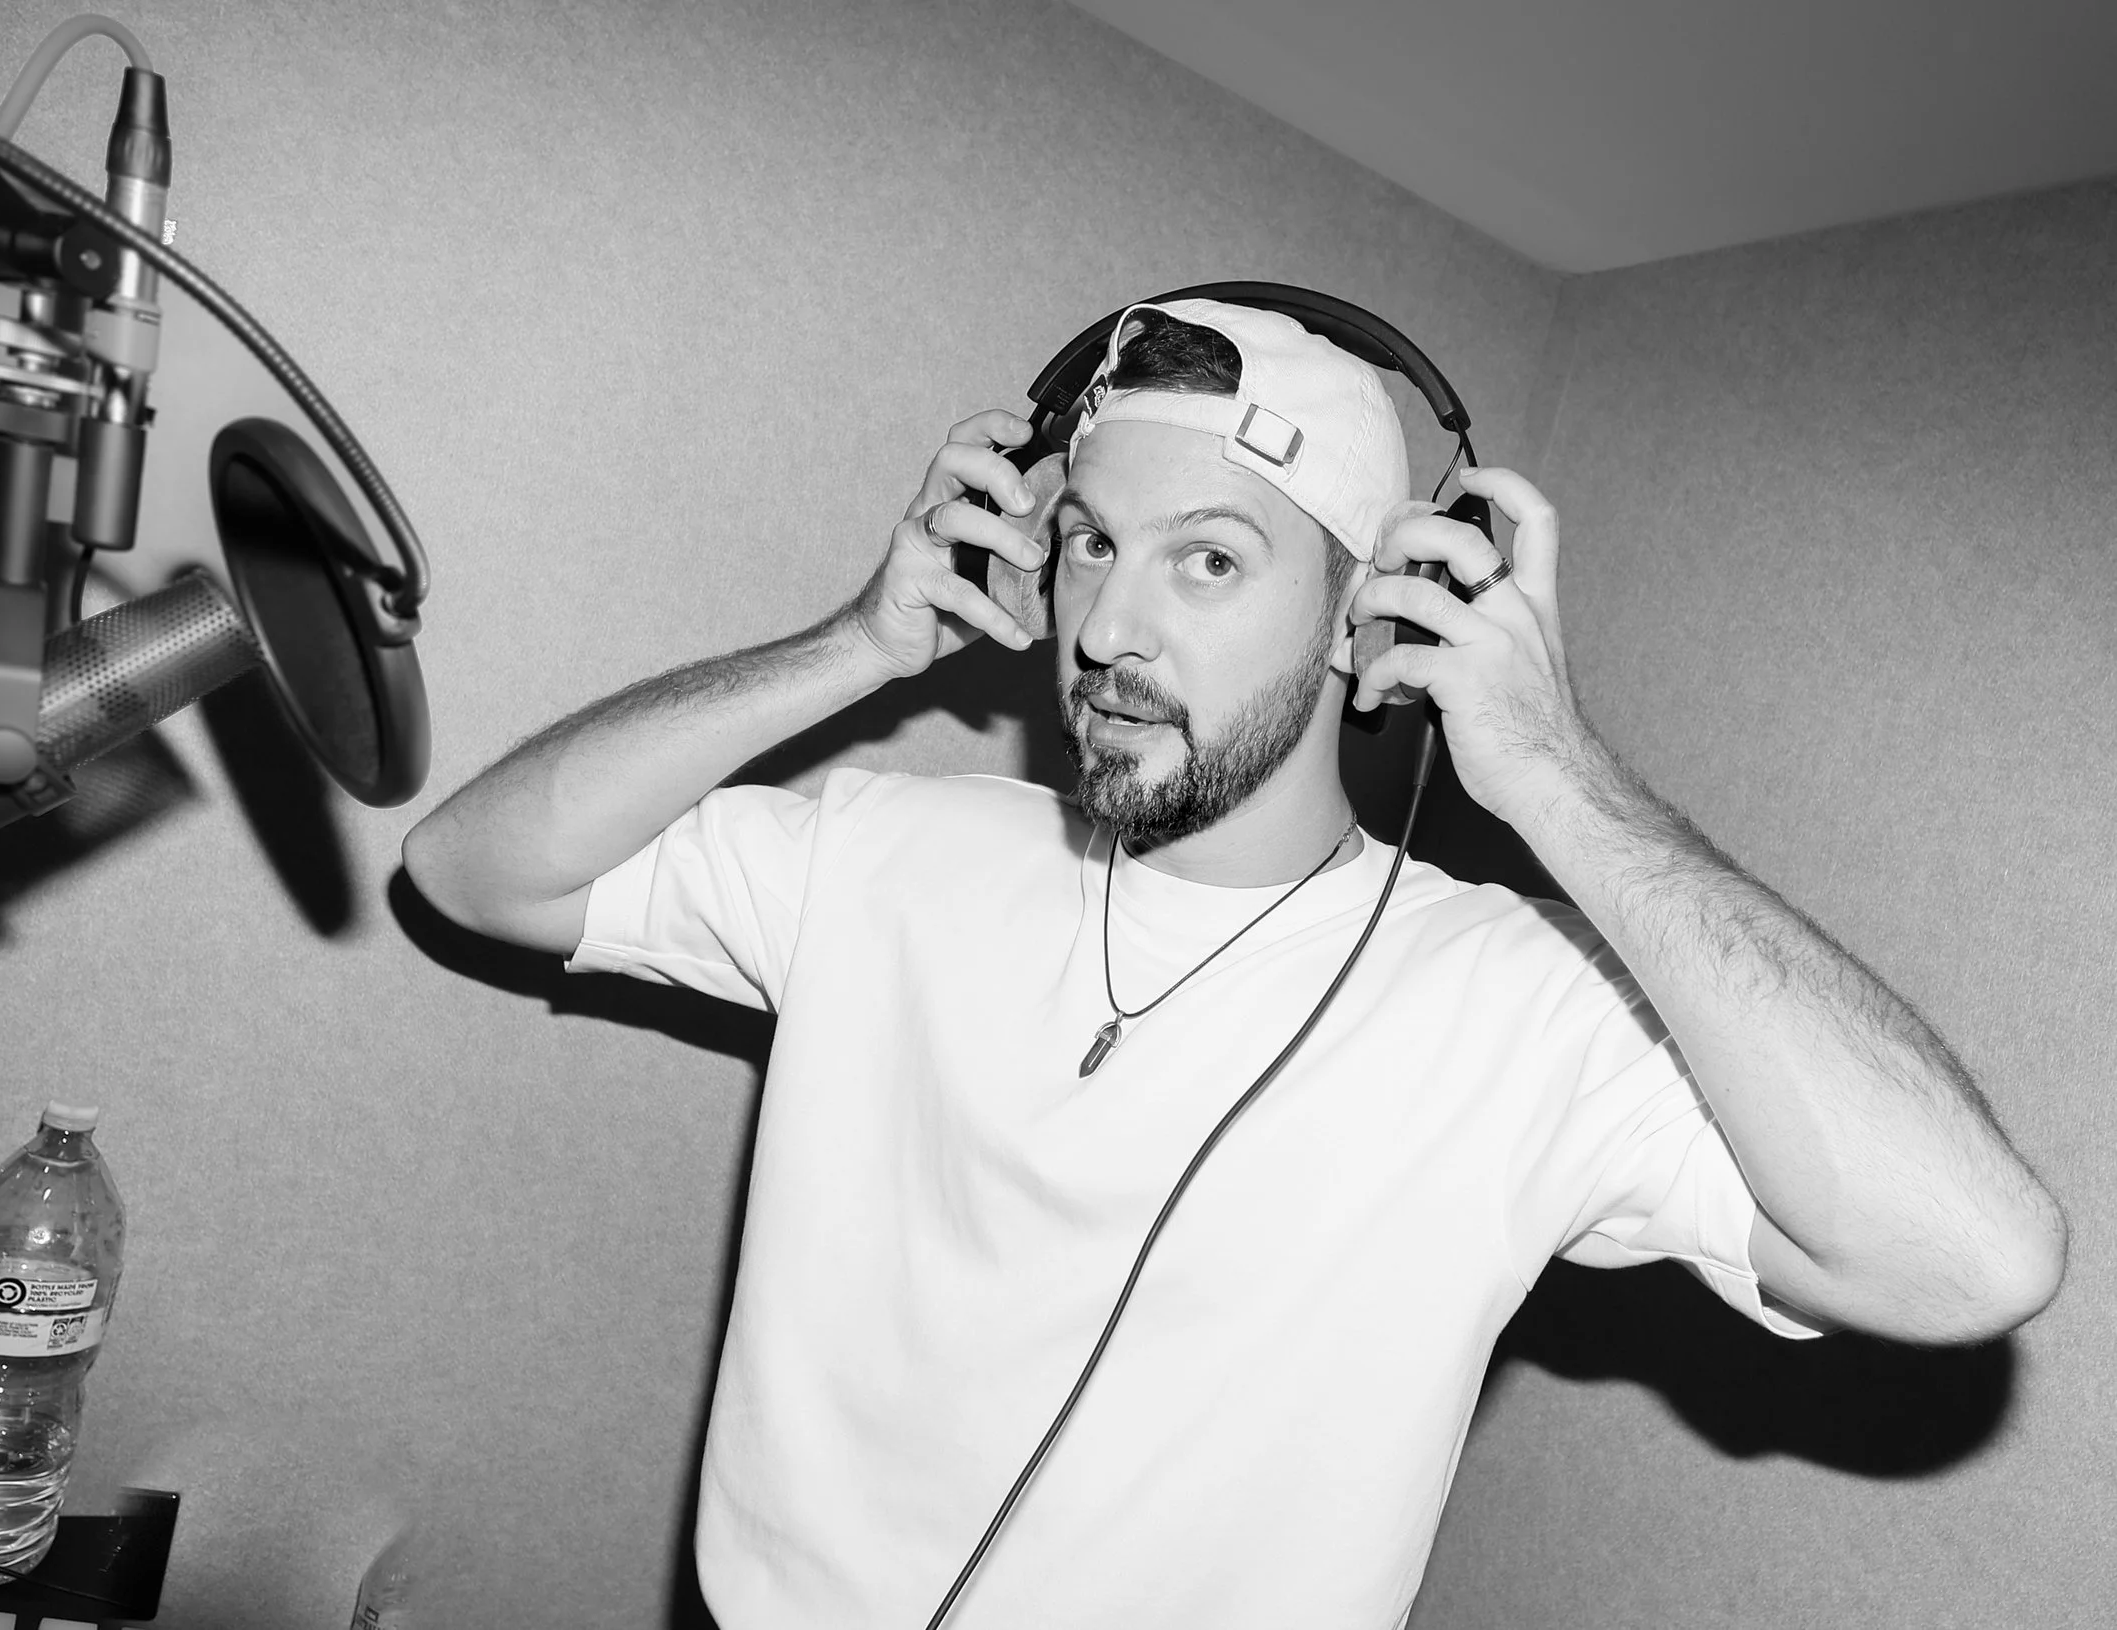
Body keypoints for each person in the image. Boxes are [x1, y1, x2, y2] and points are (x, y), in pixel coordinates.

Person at [400, 300, 2066, 1629]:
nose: (1110, 629)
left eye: (1207, 558)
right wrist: (854, 643)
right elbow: (466, 868)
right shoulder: (888, 851)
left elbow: (1971, 1260)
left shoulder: (1522, 1007)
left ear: (1366, 618)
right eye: (1090, 543)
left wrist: (1559, 776)